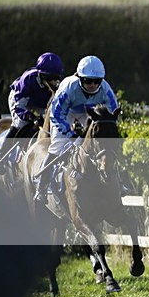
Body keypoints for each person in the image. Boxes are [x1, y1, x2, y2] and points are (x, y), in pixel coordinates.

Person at [33, 55, 119, 203]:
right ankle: (42, 185)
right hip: (65, 113)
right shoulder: (68, 87)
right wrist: (70, 133)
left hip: (89, 113)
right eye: (88, 81)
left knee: (104, 148)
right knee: (58, 146)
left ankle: (120, 182)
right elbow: (56, 115)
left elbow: (112, 116)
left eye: (96, 81)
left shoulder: (106, 90)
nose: (92, 84)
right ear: (80, 78)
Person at [0, 53, 64, 167]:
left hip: (40, 103)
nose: (54, 82)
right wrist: (30, 116)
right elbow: (18, 105)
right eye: (50, 78)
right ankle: (0, 158)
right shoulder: (28, 79)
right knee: (20, 124)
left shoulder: (61, 83)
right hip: (20, 99)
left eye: (56, 77)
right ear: (41, 75)